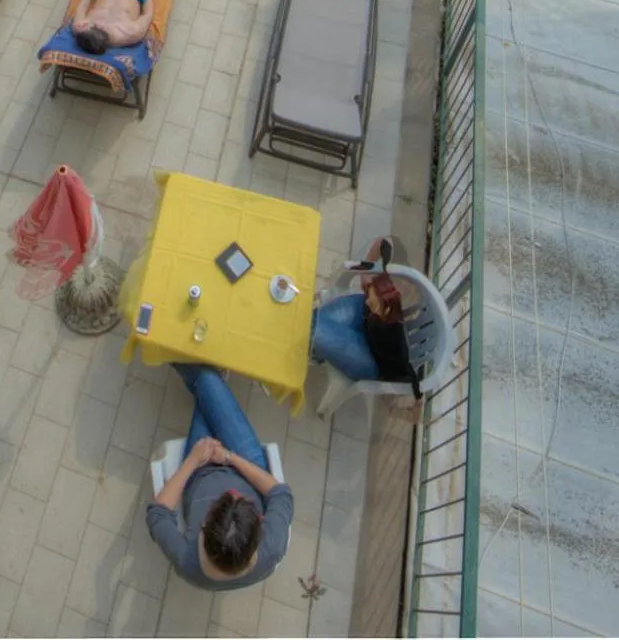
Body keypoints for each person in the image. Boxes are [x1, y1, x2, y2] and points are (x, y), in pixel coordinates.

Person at [146, 364, 294, 590]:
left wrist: (193, 460)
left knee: (205, 380)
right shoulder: (271, 547)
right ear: (258, 535)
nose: (232, 493)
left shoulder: (186, 559)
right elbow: (280, 493)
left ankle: (188, 364)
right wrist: (229, 457)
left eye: (222, 501)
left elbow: (157, 513)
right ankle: (207, 375)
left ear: (204, 527)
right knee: (207, 385)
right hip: (247, 465)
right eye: (242, 502)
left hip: (199, 473)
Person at [310, 236, 422, 403]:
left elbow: (408, 379)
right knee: (313, 324)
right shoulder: (396, 268)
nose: (368, 298)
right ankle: (315, 350)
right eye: (371, 292)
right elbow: (385, 241)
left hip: (372, 359)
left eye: (374, 300)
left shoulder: (394, 338)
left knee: (314, 330)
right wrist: (367, 272)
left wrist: (413, 399)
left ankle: (310, 344)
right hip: (364, 316)